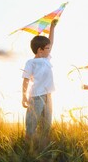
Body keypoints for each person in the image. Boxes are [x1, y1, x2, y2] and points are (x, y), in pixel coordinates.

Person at [21, 19, 58, 149]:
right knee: (31, 123)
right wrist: (24, 96)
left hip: (48, 96)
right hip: (36, 96)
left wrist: (52, 28)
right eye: (47, 48)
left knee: (46, 124)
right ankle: (28, 148)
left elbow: (51, 42)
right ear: (40, 50)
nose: (50, 49)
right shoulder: (31, 63)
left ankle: (43, 149)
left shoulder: (46, 59)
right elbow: (25, 79)